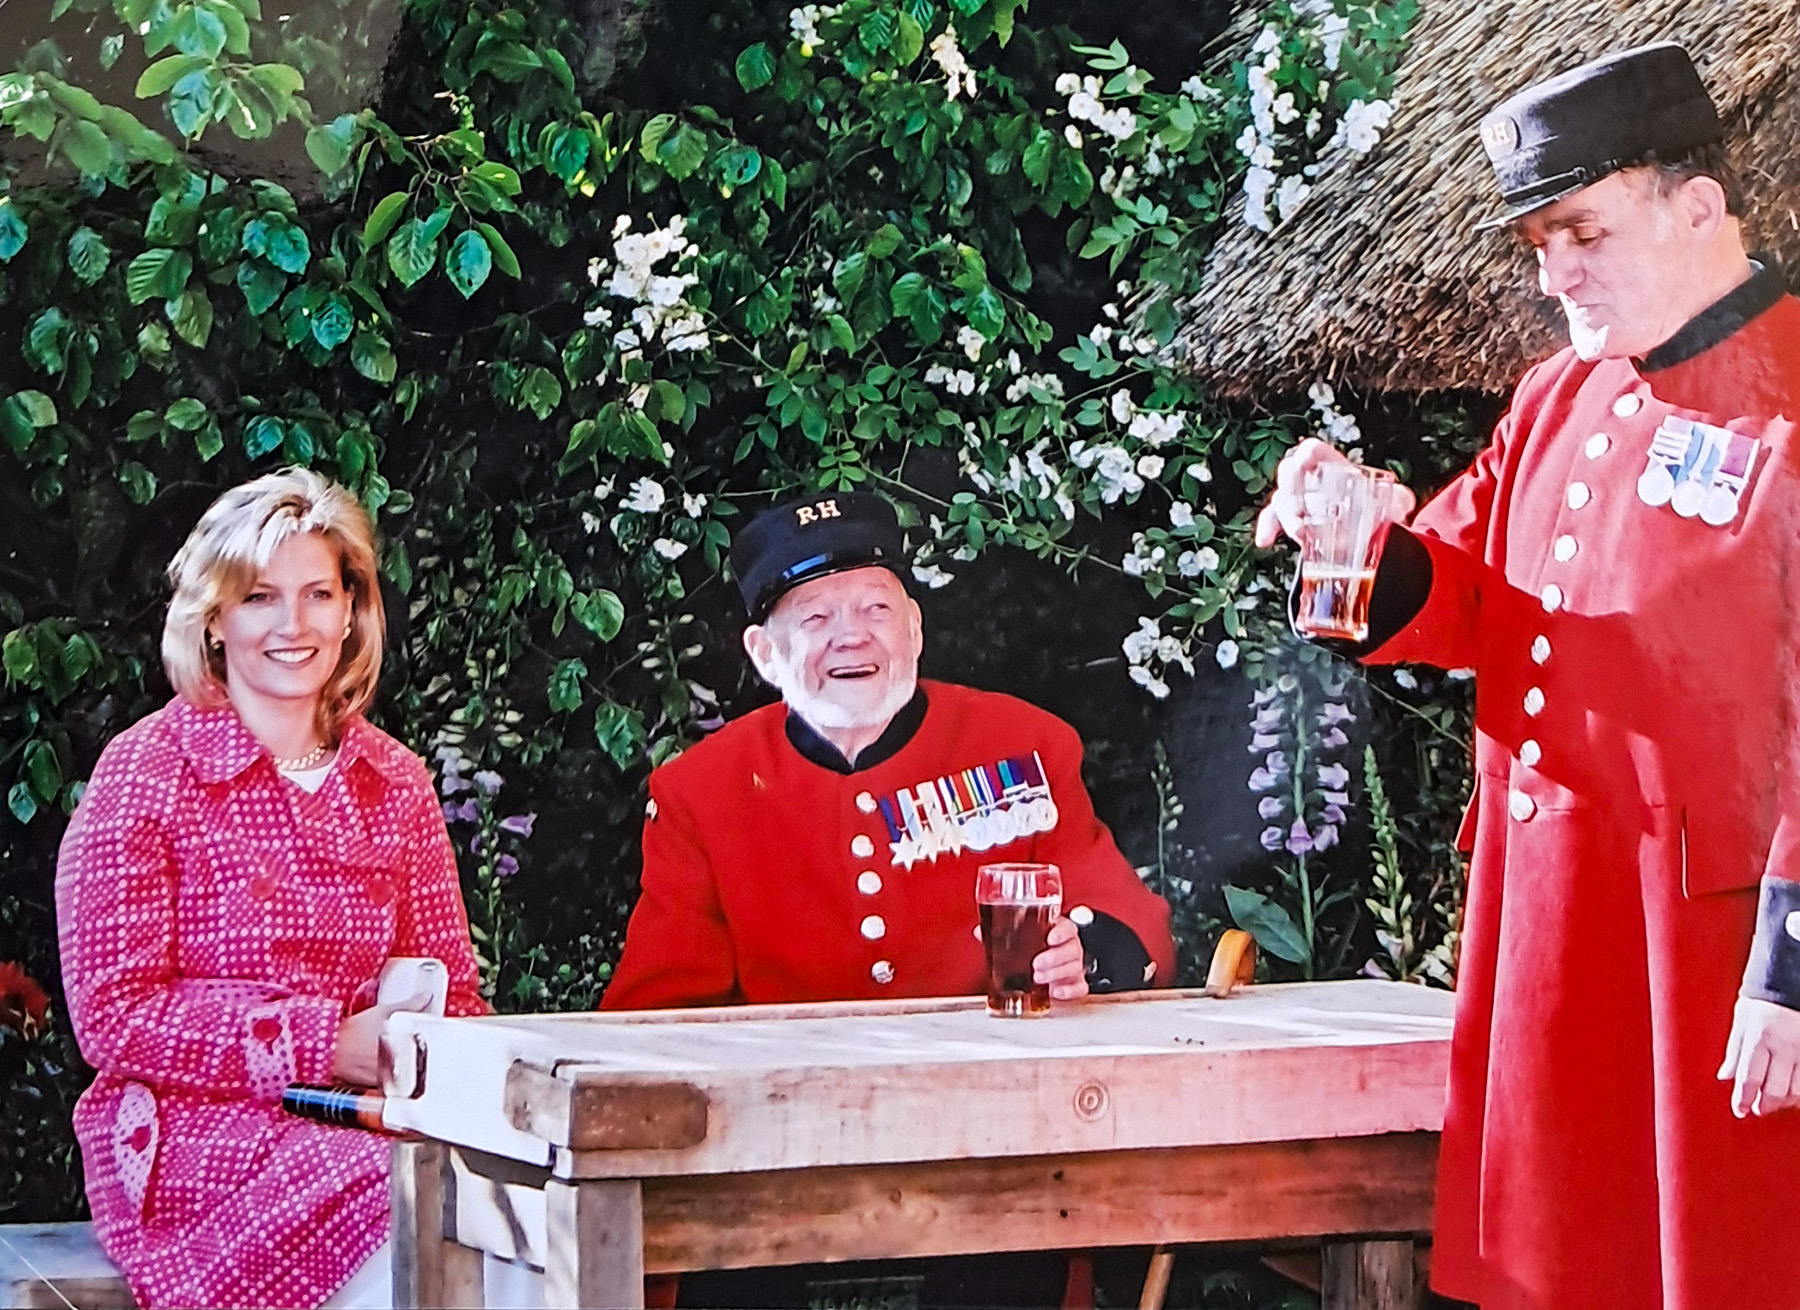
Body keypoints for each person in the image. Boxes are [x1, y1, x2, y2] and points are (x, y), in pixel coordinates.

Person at [1256, 43, 1800, 1310]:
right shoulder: (1555, 395)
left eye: (1584, 231)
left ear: (1700, 203)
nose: (1556, 274)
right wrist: (1350, 536)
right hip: (1549, 925)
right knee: (1553, 1266)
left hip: (1706, 953)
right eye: (1538, 243)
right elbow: (1456, 588)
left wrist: (1791, 968)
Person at [55, 469, 486, 1310]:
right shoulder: (146, 773)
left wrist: (430, 1056)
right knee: (415, 1195)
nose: (294, 626)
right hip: (194, 1139)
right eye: (260, 598)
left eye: (319, 594)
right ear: (214, 620)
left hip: (378, 1120)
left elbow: (457, 994)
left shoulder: (393, 780)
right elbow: (115, 1016)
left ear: (351, 610)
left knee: (517, 1184)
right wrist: (323, 1044)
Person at [602, 489, 1176, 1012]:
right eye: (816, 617)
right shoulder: (700, 793)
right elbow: (655, 1014)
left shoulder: (1024, 745)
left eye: (876, 608)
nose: (851, 636)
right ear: (765, 654)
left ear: (915, 629)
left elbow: (1127, 920)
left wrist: (1085, 959)